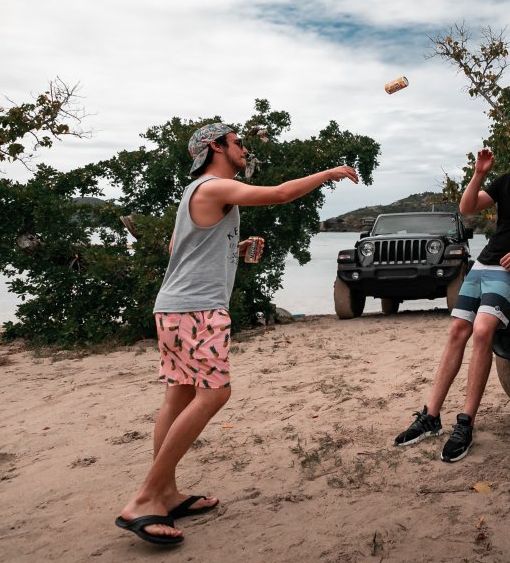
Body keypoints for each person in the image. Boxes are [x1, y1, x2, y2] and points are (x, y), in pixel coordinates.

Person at [116, 122, 360, 546]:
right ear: (216, 147)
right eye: (238, 142)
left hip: (174, 308)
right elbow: (281, 193)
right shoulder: (211, 186)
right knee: (215, 394)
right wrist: (329, 173)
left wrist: (234, 247)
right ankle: (145, 499)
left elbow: (178, 249)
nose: (244, 148)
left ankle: (167, 492)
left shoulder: (199, 193)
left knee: (179, 396)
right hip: (197, 309)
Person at [394, 131, 510, 463]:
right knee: (457, 332)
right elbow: (467, 209)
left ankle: (466, 422)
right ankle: (431, 416)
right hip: (484, 264)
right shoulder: (504, 182)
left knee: (482, 331)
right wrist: (479, 173)